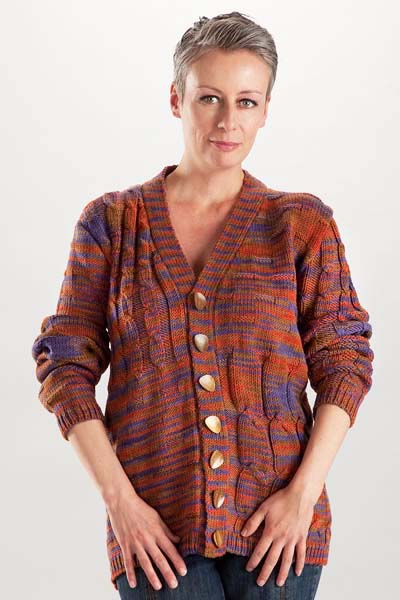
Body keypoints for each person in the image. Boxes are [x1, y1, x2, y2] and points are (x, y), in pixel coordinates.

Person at [31, 11, 374, 599]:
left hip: (279, 533)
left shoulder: (300, 224)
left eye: (246, 102)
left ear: (266, 110)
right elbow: (64, 364)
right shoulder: (111, 223)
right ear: (176, 99)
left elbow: (344, 361)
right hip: (154, 533)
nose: (227, 120)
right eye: (209, 97)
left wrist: (302, 497)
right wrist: (120, 504)